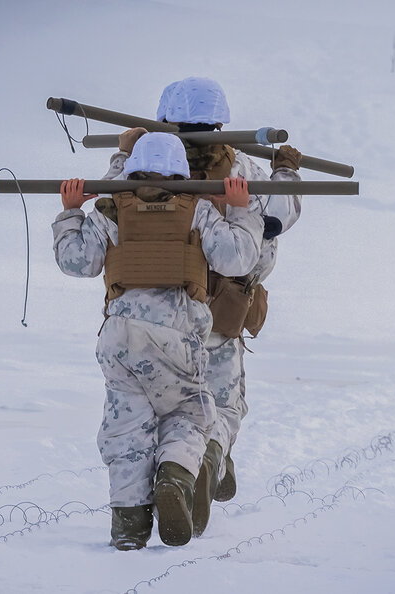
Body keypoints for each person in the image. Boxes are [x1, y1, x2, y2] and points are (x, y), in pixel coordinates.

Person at [103, 77, 302, 537]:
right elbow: (279, 216)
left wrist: (124, 152)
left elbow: (108, 201)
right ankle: (209, 459)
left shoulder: (140, 171)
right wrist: (286, 174)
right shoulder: (246, 169)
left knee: (145, 418)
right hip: (221, 309)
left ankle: (141, 511)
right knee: (221, 406)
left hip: (152, 309)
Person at [52, 132, 264, 550]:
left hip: (120, 336)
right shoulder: (198, 209)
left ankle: (129, 527)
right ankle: (174, 475)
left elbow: (76, 261)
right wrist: (241, 213)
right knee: (189, 412)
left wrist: (70, 212)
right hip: (176, 333)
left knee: (126, 428)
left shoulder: (111, 208)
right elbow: (236, 258)